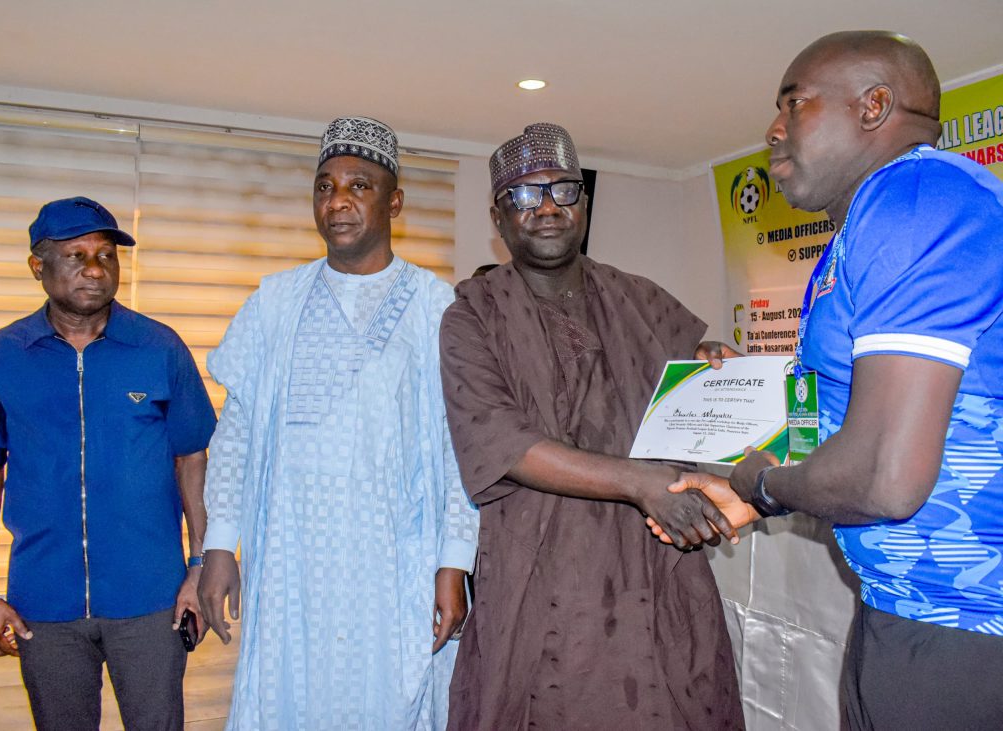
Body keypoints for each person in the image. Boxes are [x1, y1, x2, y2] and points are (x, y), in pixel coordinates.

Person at [661, 31, 1003, 731]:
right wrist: (750, 495)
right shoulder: (865, 225)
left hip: (968, 629)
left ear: (874, 106)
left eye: (794, 103)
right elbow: (836, 421)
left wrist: (764, 484)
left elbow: (885, 478)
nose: (773, 129)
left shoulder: (918, 198)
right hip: (903, 610)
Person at [439, 122, 744, 730]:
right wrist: (640, 483)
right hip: (541, 571)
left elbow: (687, 395)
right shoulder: (471, 315)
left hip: (655, 561)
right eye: (525, 195)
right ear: (498, 217)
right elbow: (505, 445)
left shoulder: (640, 299)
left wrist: (714, 368)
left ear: (583, 201)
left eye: (563, 190)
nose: (547, 207)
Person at [197, 116, 478, 730]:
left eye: (359, 186)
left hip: (396, 563)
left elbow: (461, 448)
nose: (338, 201)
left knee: (392, 703)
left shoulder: (437, 308)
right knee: (287, 700)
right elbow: (236, 435)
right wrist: (219, 546)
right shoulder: (274, 302)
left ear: (394, 202)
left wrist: (454, 561)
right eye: (324, 187)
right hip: (290, 561)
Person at [0, 196, 216, 730]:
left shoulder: (159, 347)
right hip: (44, 603)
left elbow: (192, 459)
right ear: (37, 266)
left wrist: (198, 569)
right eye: (76, 255)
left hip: (151, 600)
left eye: (106, 255)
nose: (95, 268)